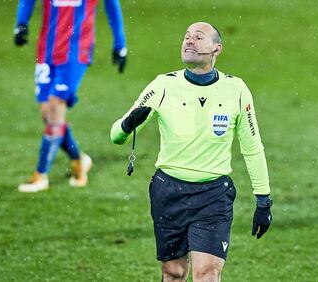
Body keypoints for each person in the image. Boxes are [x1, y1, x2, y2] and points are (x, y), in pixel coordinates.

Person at [111, 22, 273, 282]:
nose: (189, 41)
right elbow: (116, 136)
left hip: (213, 196)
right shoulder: (163, 85)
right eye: (186, 37)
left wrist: (263, 198)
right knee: (173, 273)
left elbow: (252, 146)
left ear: (216, 48)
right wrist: (128, 125)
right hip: (168, 192)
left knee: (207, 273)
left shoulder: (236, 90)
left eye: (199, 37)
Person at [14, 0, 128, 192]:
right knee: (47, 115)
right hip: (46, 51)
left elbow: (111, 5)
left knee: (55, 108)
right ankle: (79, 160)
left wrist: (120, 43)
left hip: (75, 52)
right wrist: (21, 23)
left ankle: (41, 175)